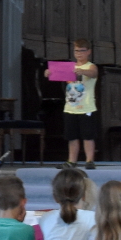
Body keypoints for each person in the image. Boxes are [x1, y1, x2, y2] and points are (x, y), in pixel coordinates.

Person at [48, 39, 101, 169]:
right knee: (72, 137)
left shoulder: (91, 66)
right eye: (76, 50)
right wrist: (49, 73)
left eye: (82, 51)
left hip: (86, 107)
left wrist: (83, 72)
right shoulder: (70, 67)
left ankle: (89, 160)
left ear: (88, 52)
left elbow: (93, 74)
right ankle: (71, 161)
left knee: (88, 136)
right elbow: (61, 77)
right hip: (71, 107)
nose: (79, 53)